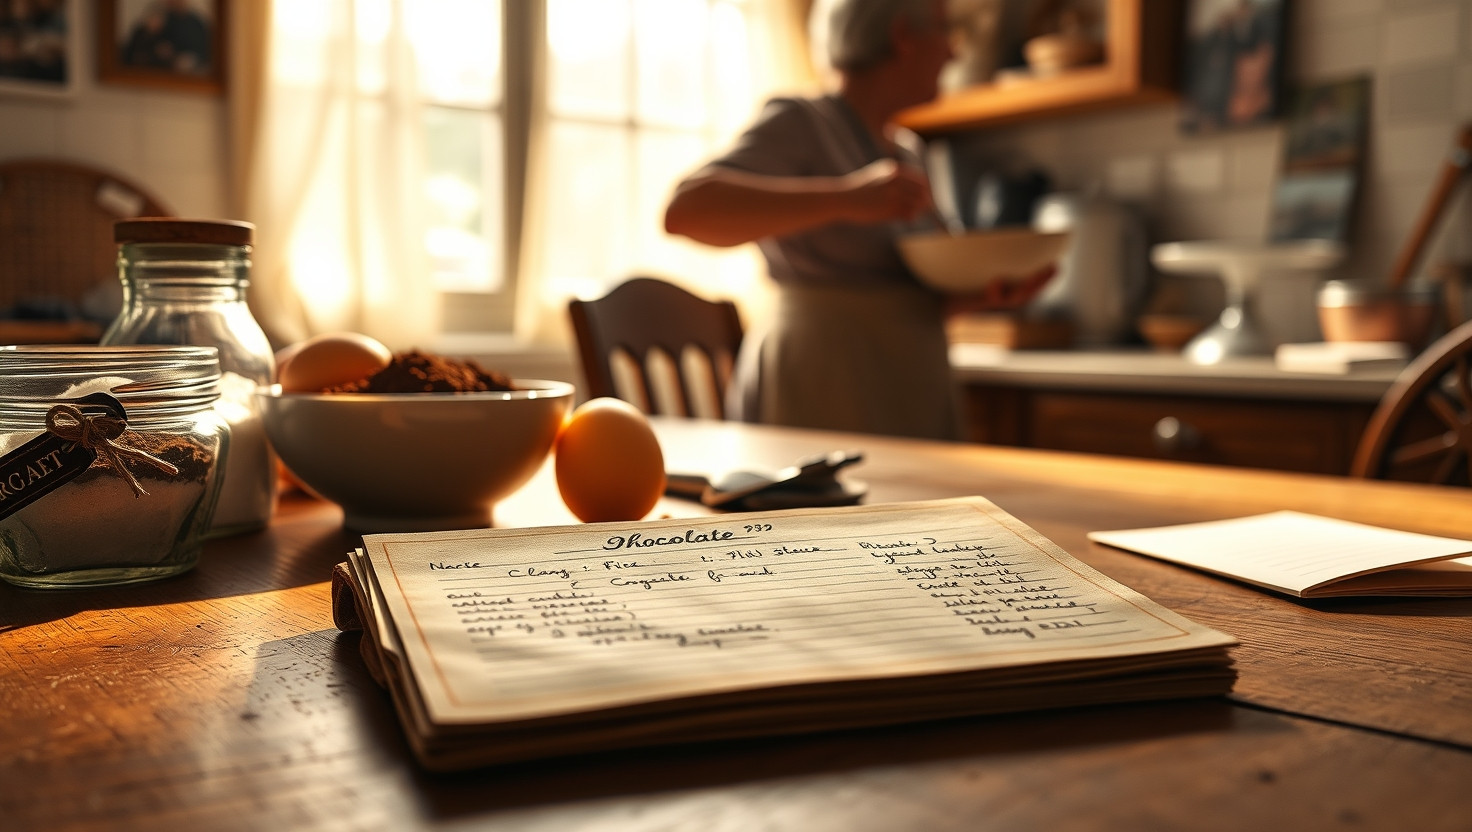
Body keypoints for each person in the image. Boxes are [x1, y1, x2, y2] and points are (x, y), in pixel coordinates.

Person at [664, 0, 1046, 440]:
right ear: (903, 36)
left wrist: (983, 295)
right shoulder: (802, 121)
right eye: (944, 31)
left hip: (907, 387)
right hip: (822, 383)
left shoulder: (909, 151)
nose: (953, 53)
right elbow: (686, 210)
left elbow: (900, 296)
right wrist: (847, 198)